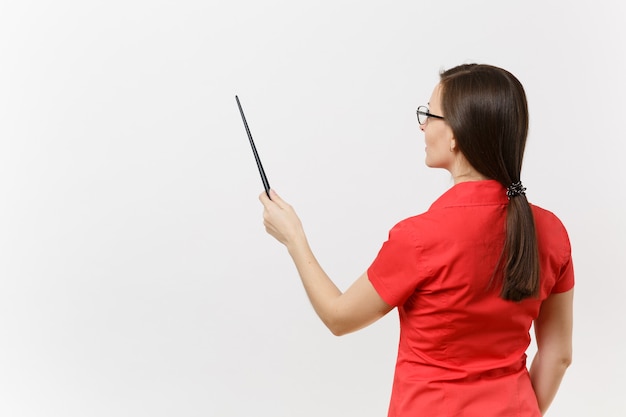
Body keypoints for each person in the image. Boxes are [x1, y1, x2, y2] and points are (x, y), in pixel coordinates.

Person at [259, 63, 574, 417]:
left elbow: (339, 317)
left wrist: (294, 238)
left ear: (455, 133)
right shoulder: (551, 231)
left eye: (430, 115)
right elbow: (558, 356)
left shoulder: (420, 238)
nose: (423, 125)